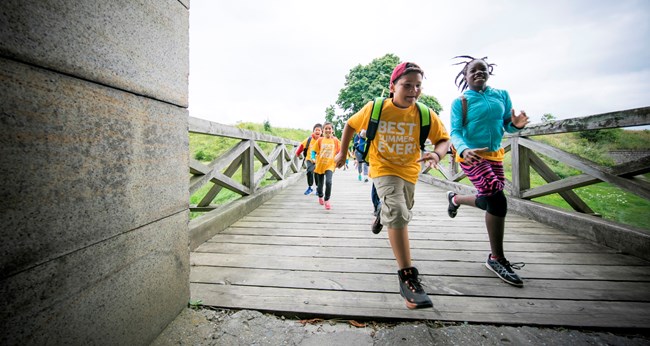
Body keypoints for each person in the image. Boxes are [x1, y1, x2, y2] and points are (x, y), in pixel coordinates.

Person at [334, 62, 450, 310]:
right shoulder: (376, 108)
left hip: (409, 171)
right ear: (393, 86)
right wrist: (342, 153)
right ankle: (408, 278)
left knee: (402, 210)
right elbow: (350, 125)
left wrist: (437, 155)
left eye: (418, 85)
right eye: (407, 85)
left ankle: (380, 213)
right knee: (398, 213)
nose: (414, 90)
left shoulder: (425, 114)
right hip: (383, 168)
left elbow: (443, 140)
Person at [446, 55, 529, 287]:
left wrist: (517, 125)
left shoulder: (501, 95)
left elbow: (506, 123)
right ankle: (496, 258)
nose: (479, 73)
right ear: (465, 75)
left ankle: (456, 198)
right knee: (497, 198)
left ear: (488, 73)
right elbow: (455, 131)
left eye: (483, 70)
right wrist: (463, 149)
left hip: (494, 154)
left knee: (491, 198)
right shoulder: (461, 101)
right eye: (474, 71)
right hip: (471, 155)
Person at [312, 122, 341, 210]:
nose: (328, 130)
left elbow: (341, 151)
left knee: (328, 182)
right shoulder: (320, 140)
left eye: (329, 128)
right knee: (320, 185)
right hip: (320, 165)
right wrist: (313, 158)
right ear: (323, 130)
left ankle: (327, 199)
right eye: (326, 128)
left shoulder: (335, 141)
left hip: (330, 165)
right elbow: (313, 151)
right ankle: (320, 195)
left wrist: (342, 160)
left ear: (332, 130)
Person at [295, 123, 322, 195]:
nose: (317, 131)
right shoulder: (309, 139)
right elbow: (302, 145)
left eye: (319, 130)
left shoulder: (322, 140)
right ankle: (310, 187)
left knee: (317, 173)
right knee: (310, 171)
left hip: (318, 160)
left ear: (321, 132)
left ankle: (317, 188)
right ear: (313, 131)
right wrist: (297, 153)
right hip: (309, 159)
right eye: (316, 130)